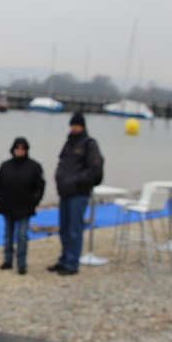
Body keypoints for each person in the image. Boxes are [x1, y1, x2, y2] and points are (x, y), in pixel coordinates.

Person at [50, 112, 104, 276]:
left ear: (82, 126)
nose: (74, 128)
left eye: (77, 125)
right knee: (64, 229)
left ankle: (72, 263)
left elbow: (95, 169)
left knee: (74, 229)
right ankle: (64, 259)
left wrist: (76, 180)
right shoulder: (69, 143)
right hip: (65, 192)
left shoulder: (89, 144)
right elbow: (63, 163)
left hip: (78, 193)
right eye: (72, 125)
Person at [0, 137, 46, 274]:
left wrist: (35, 201)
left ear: (26, 149)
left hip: (25, 208)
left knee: (22, 236)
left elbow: (40, 186)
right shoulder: (5, 165)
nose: (20, 150)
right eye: (17, 147)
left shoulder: (34, 166)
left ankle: (21, 264)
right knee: (8, 235)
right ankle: (7, 261)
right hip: (7, 207)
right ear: (13, 149)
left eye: (23, 148)